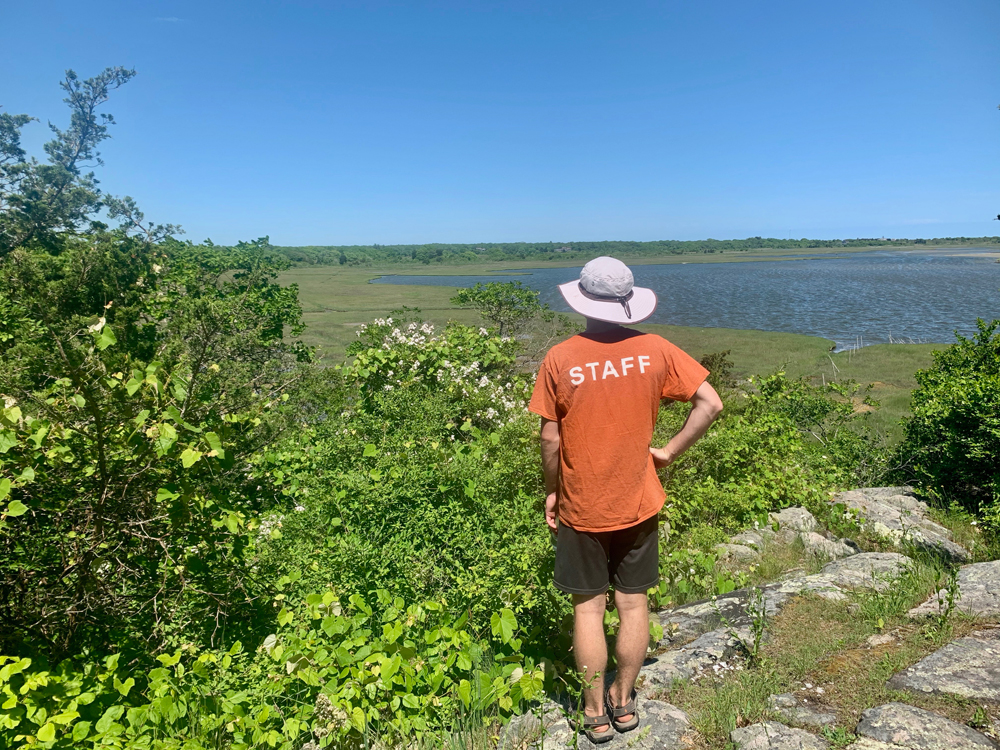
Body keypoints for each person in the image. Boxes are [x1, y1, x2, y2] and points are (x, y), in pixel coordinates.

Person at [528, 256, 723, 743]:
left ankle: (594, 713)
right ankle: (624, 702)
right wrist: (669, 452)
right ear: (627, 303)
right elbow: (711, 403)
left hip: (582, 504)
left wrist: (552, 492)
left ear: (583, 300)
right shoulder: (654, 348)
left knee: (588, 609)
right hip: (638, 499)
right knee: (634, 606)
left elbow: (550, 441)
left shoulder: (561, 357)